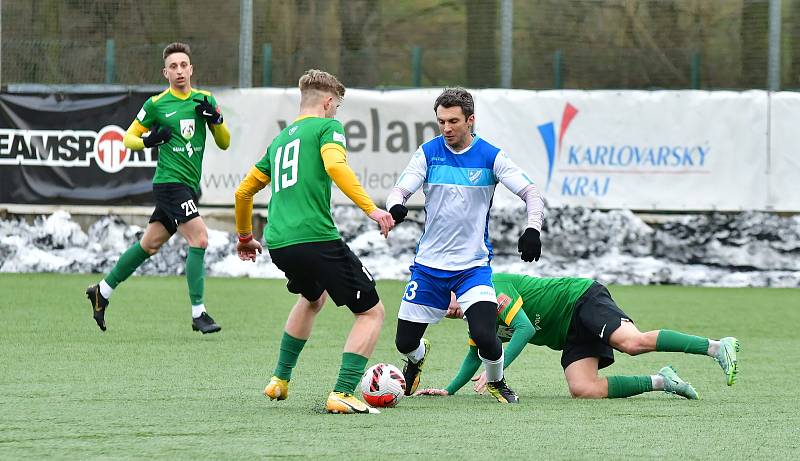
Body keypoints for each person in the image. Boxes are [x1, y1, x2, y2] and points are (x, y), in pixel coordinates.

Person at [234, 69, 395, 414]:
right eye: (335, 106)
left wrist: (246, 236)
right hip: (315, 238)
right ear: (327, 101)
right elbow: (336, 166)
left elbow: (244, 191)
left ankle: (279, 379)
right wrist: (371, 209)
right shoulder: (327, 128)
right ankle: (342, 391)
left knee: (312, 298)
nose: (336, 112)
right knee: (371, 312)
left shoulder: (279, 142)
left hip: (278, 242)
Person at [387, 88, 545, 404]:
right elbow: (398, 191)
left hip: (472, 267)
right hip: (429, 266)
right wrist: (395, 207)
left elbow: (532, 193)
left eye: (454, 121)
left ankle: (497, 382)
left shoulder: (490, 156)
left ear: (470, 120)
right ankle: (417, 359)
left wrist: (533, 229)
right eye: (441, 121)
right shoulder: (428, 153)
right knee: (404, 342)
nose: (446, 128)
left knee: (486, 335)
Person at [86, 42, 230, 334]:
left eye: (183, 65)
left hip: (188, 187)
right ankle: (198, 313)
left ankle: (102, 290)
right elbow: (127, 139)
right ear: (165, 72)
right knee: (200, 239)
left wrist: (217, 119)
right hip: (169, 184)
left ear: (191, 69)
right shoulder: (156, 104)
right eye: (173, 67)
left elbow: (225, 142)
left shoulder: (204, 100)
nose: (179, 71)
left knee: (149, 244)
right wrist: (148, 141)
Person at [414, 273, 740, 400]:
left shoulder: (491, 288)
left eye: (447, 301)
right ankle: (663, 381)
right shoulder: (476, 318)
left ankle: (716, 347)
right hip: (570, 333)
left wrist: (493, 375)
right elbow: (476, 355)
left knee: (632, 343)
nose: (447, 310)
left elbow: (525, 328)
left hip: (581, 300)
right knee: (584, 389)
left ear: (458, 289)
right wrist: (448, 390)